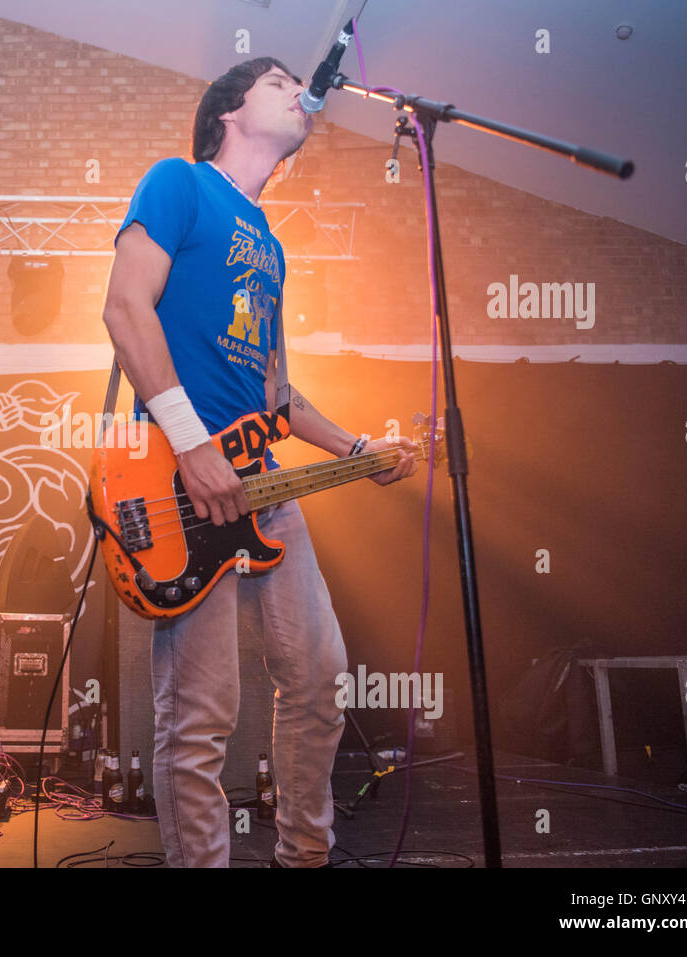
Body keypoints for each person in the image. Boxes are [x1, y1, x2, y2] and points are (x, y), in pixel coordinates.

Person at [101, 57, 418, 868]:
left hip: (263, 481)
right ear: (229, 113)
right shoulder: (177, 183)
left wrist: (356, 449)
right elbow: (125, 305)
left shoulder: (271, 247)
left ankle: (303, 857)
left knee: (319, 679)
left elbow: (279, 393)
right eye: (278, 82)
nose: (297, 93)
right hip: (181, 479)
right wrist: (192, 444)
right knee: (202, 714)